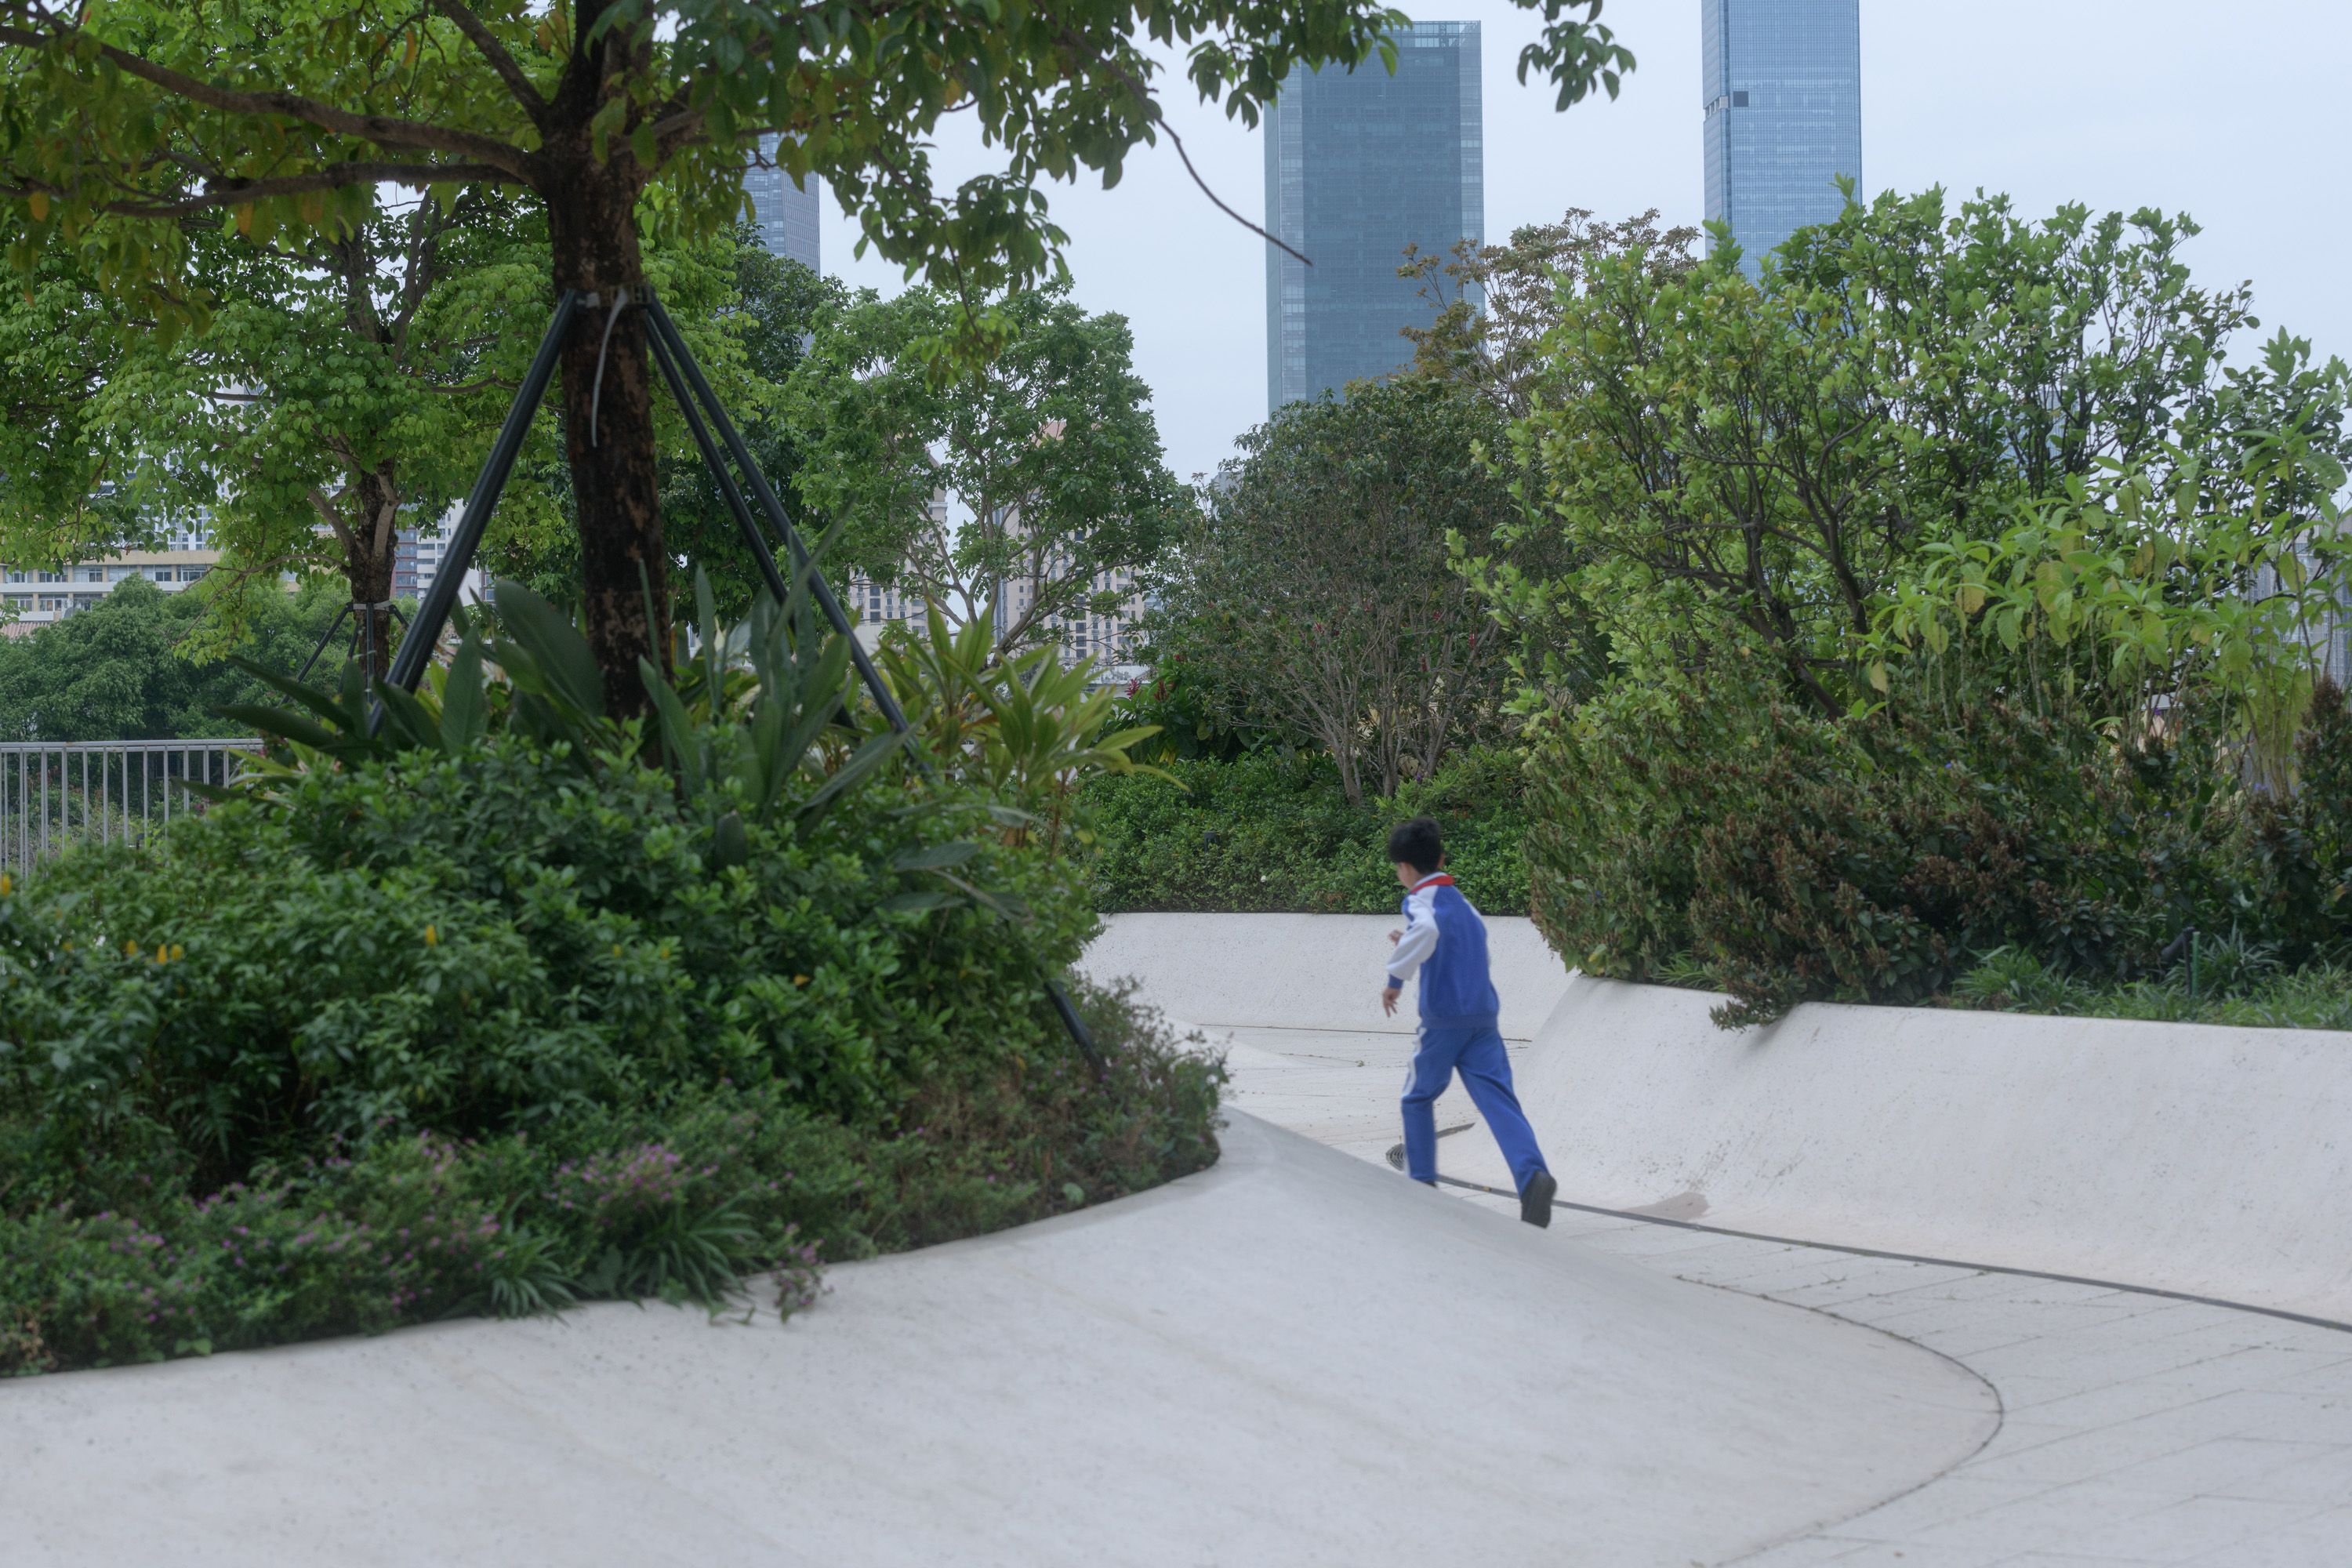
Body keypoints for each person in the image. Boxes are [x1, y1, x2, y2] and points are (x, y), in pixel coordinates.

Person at [1380, 816, 1558, 1228]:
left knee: (1417, 1097)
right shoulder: (1464, 903)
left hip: (1443, 1021)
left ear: (1404, 868)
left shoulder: (1418, 902)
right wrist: (1411, 945)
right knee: (1499, 1101)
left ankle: (1422, 1186)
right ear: (1441, 858)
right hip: (1483, 1019)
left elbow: (1425, 931)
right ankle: (1532, 1176)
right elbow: (1463, 945)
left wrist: (1395, 979)